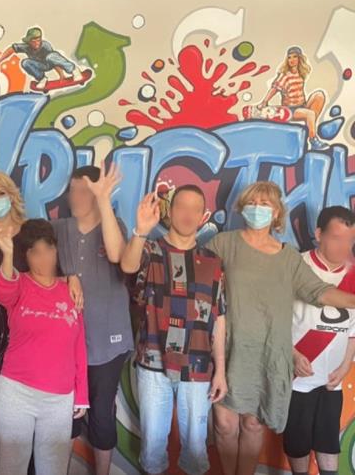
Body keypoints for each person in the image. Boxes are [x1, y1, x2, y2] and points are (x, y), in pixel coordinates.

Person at [207, 181, 355, 475]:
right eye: (253, 202)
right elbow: (198, 284)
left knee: (252, 424)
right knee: (224, 425)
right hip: (228, 350)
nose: (258, 209)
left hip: (267, 354)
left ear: (276, 212)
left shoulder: (288, 258)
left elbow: (320, 292)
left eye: (265, 204)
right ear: (243, 207)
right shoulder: (223, 244)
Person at [0, 170, 83, 475]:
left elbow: (51, 266)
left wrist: (73, 277)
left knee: (25, 399)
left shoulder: (29, 231)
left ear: (11, 194)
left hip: (24, 319)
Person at [120, 186, 227, 475]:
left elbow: (219, 317)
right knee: (153, 447)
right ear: (170, 211)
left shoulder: (213, 262)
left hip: (198, 366)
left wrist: (220, 371)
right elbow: (127, 266)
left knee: (196, 449)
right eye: (182, 206)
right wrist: (140, 231)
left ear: (203, 216)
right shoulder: (150, 250)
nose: (188, 214)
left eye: (195, 209)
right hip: (154, 364)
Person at [0, 218, 88, 475]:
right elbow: (2, 291)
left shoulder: (71, 290)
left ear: (56, 249)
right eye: (35, 252)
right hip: (16, 395)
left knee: (53, 470)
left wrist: (82, 394)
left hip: (59, 400)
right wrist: (7, 253)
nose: (43, 258)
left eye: (48, 249)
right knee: (11, 469)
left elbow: (78, 346)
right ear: (26, 255)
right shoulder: (19, 284)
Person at [54, 164, 132, 475]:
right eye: (73, 190)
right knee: (64, 412)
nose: (76, 197)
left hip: (108, 341)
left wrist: (104, 202)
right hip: (65, 343)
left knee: (101, 412)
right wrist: (68, 276)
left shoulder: (114, 225)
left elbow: (118, 255)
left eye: (85, 190)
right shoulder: (58, 229)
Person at [284, 206, 355, 475]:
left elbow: (353, 329)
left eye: (350, 240)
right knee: (297, 443)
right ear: (318, 234)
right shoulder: (295, 267)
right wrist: (292, 355)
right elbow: (274, 320)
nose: (344, 247)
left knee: (328, 443)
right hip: (296, 377)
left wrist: (345, 366)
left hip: (332, 380)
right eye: (336, 238)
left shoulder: (353, 274)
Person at [258, 46, 327, 150]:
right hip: (291, 109)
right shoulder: (285, 75)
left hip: (302, 106)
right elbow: (275, 88)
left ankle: (310, 128)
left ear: (299, 58)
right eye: (289, 57)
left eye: (295, 57)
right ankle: (313, 139)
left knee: (319, 95)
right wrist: (264, 102)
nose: (292, 60)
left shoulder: (301, 73)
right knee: (310, 114)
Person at [0, 27, 83, 90]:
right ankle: (42, 79)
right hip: (39, 66)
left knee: (50, 56)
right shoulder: (26, 46)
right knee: (25, 62)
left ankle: (74, 70)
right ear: (29, 41)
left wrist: (61, 75)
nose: (36, 43)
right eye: (33, 41)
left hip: (49, 63)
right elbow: (11, 49)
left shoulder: (45, 45)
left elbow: (55, 61)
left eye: (38, 40)